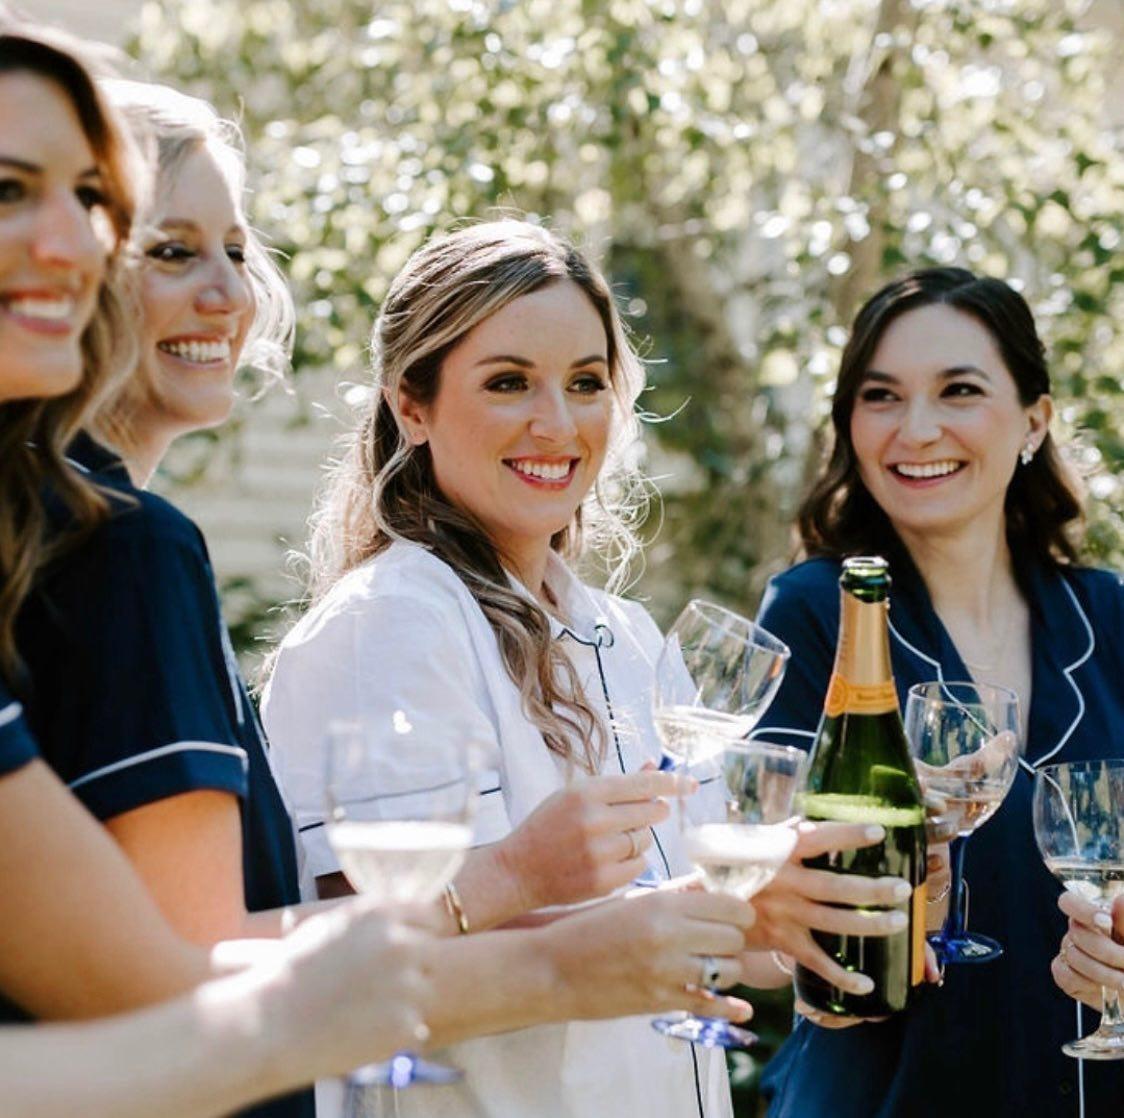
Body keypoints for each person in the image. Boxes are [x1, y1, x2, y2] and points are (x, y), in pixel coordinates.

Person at [263, 219, 920, 1118]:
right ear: (410, 405)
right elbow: (375, 961)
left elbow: (728, 940)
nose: (558, 423)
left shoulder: (629, 635)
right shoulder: (393, 623)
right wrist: (541, 879)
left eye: (585, 382)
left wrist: (826, 908)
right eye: (509, 382)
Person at [752, 267, 1124, 1118]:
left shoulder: (1109, 616)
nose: (916, 430)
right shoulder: (816, 614)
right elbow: (760, 917)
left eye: (959, 390)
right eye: (881, 396)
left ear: (1034, 420)